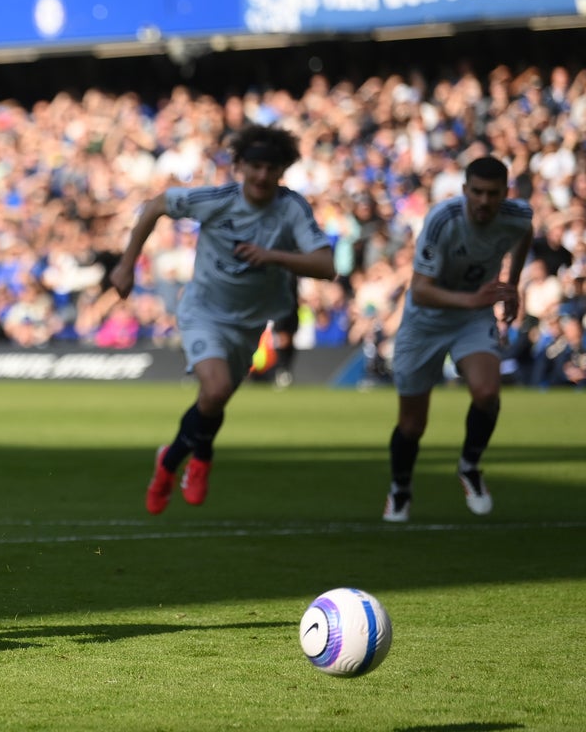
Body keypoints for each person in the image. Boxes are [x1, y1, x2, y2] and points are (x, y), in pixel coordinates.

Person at [109, 124, 336, 513]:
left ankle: (167, 462)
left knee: (212, 402)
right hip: (203, 312)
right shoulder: (218, 199)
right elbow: (156, 205)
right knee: (214, 392)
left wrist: (275, 256)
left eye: (272, 168)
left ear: (283, 171)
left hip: (250, 325)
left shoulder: (292, 208)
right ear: (241, 167)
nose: (262, 176)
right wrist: (127, 265)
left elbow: (326, 265)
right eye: (255, 166)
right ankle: (201, 461)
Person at [383, 155, 532, 522]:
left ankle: (469, 466)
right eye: (476, 192)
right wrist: (474, 298)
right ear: (465, 190)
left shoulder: (517, 216)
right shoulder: (442, 220)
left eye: (492, 194)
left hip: (472, 317)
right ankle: (400, 488)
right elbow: (420, 290)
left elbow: (524, 234)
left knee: (486, 392)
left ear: (504, 193)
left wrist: (511, 287)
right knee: (412, 425)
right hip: (425, 322)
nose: (483, 201)